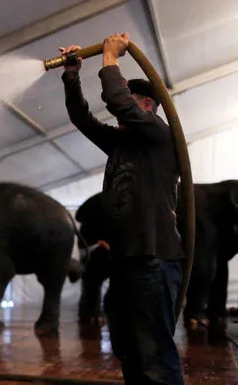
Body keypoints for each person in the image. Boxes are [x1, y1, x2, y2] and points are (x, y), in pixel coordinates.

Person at [59, 33, 185, 384]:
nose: (117, 110)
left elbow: (116, 98)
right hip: (128, 260)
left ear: (145, 105)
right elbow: (82, 119)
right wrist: (72, 75)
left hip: (154, 258)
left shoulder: (158, 134)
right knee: (128, 347)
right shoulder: (122, 142)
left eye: (130, 101)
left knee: (154, 354)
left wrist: (111, 57)